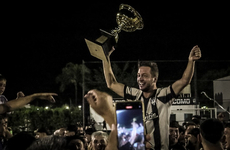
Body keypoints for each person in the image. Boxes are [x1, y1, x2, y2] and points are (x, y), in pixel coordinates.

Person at [102, 45, 201, 150]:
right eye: (138, 75)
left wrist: (191, 61)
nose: (140, 79)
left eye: (144, 75)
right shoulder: (134, 95)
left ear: (154, 79)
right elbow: (111, 83)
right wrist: (105, 57)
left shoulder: (164, 95)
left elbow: (184, 80)